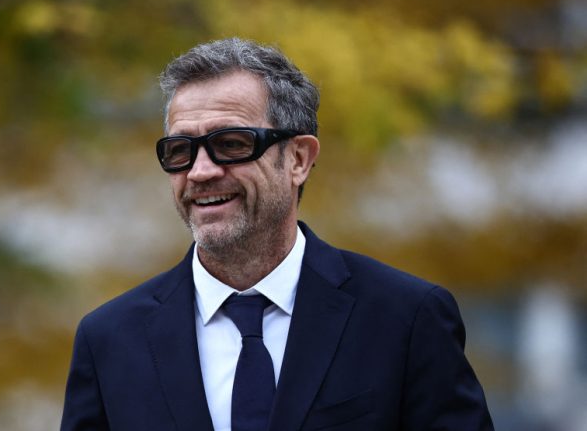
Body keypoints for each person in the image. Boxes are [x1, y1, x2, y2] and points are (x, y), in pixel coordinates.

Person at [60, 38, 494, 431]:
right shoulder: (110, 340)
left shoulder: (406, 318)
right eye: (180, 150)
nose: (200, 171)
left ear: (299, 159)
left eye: (231, 144)